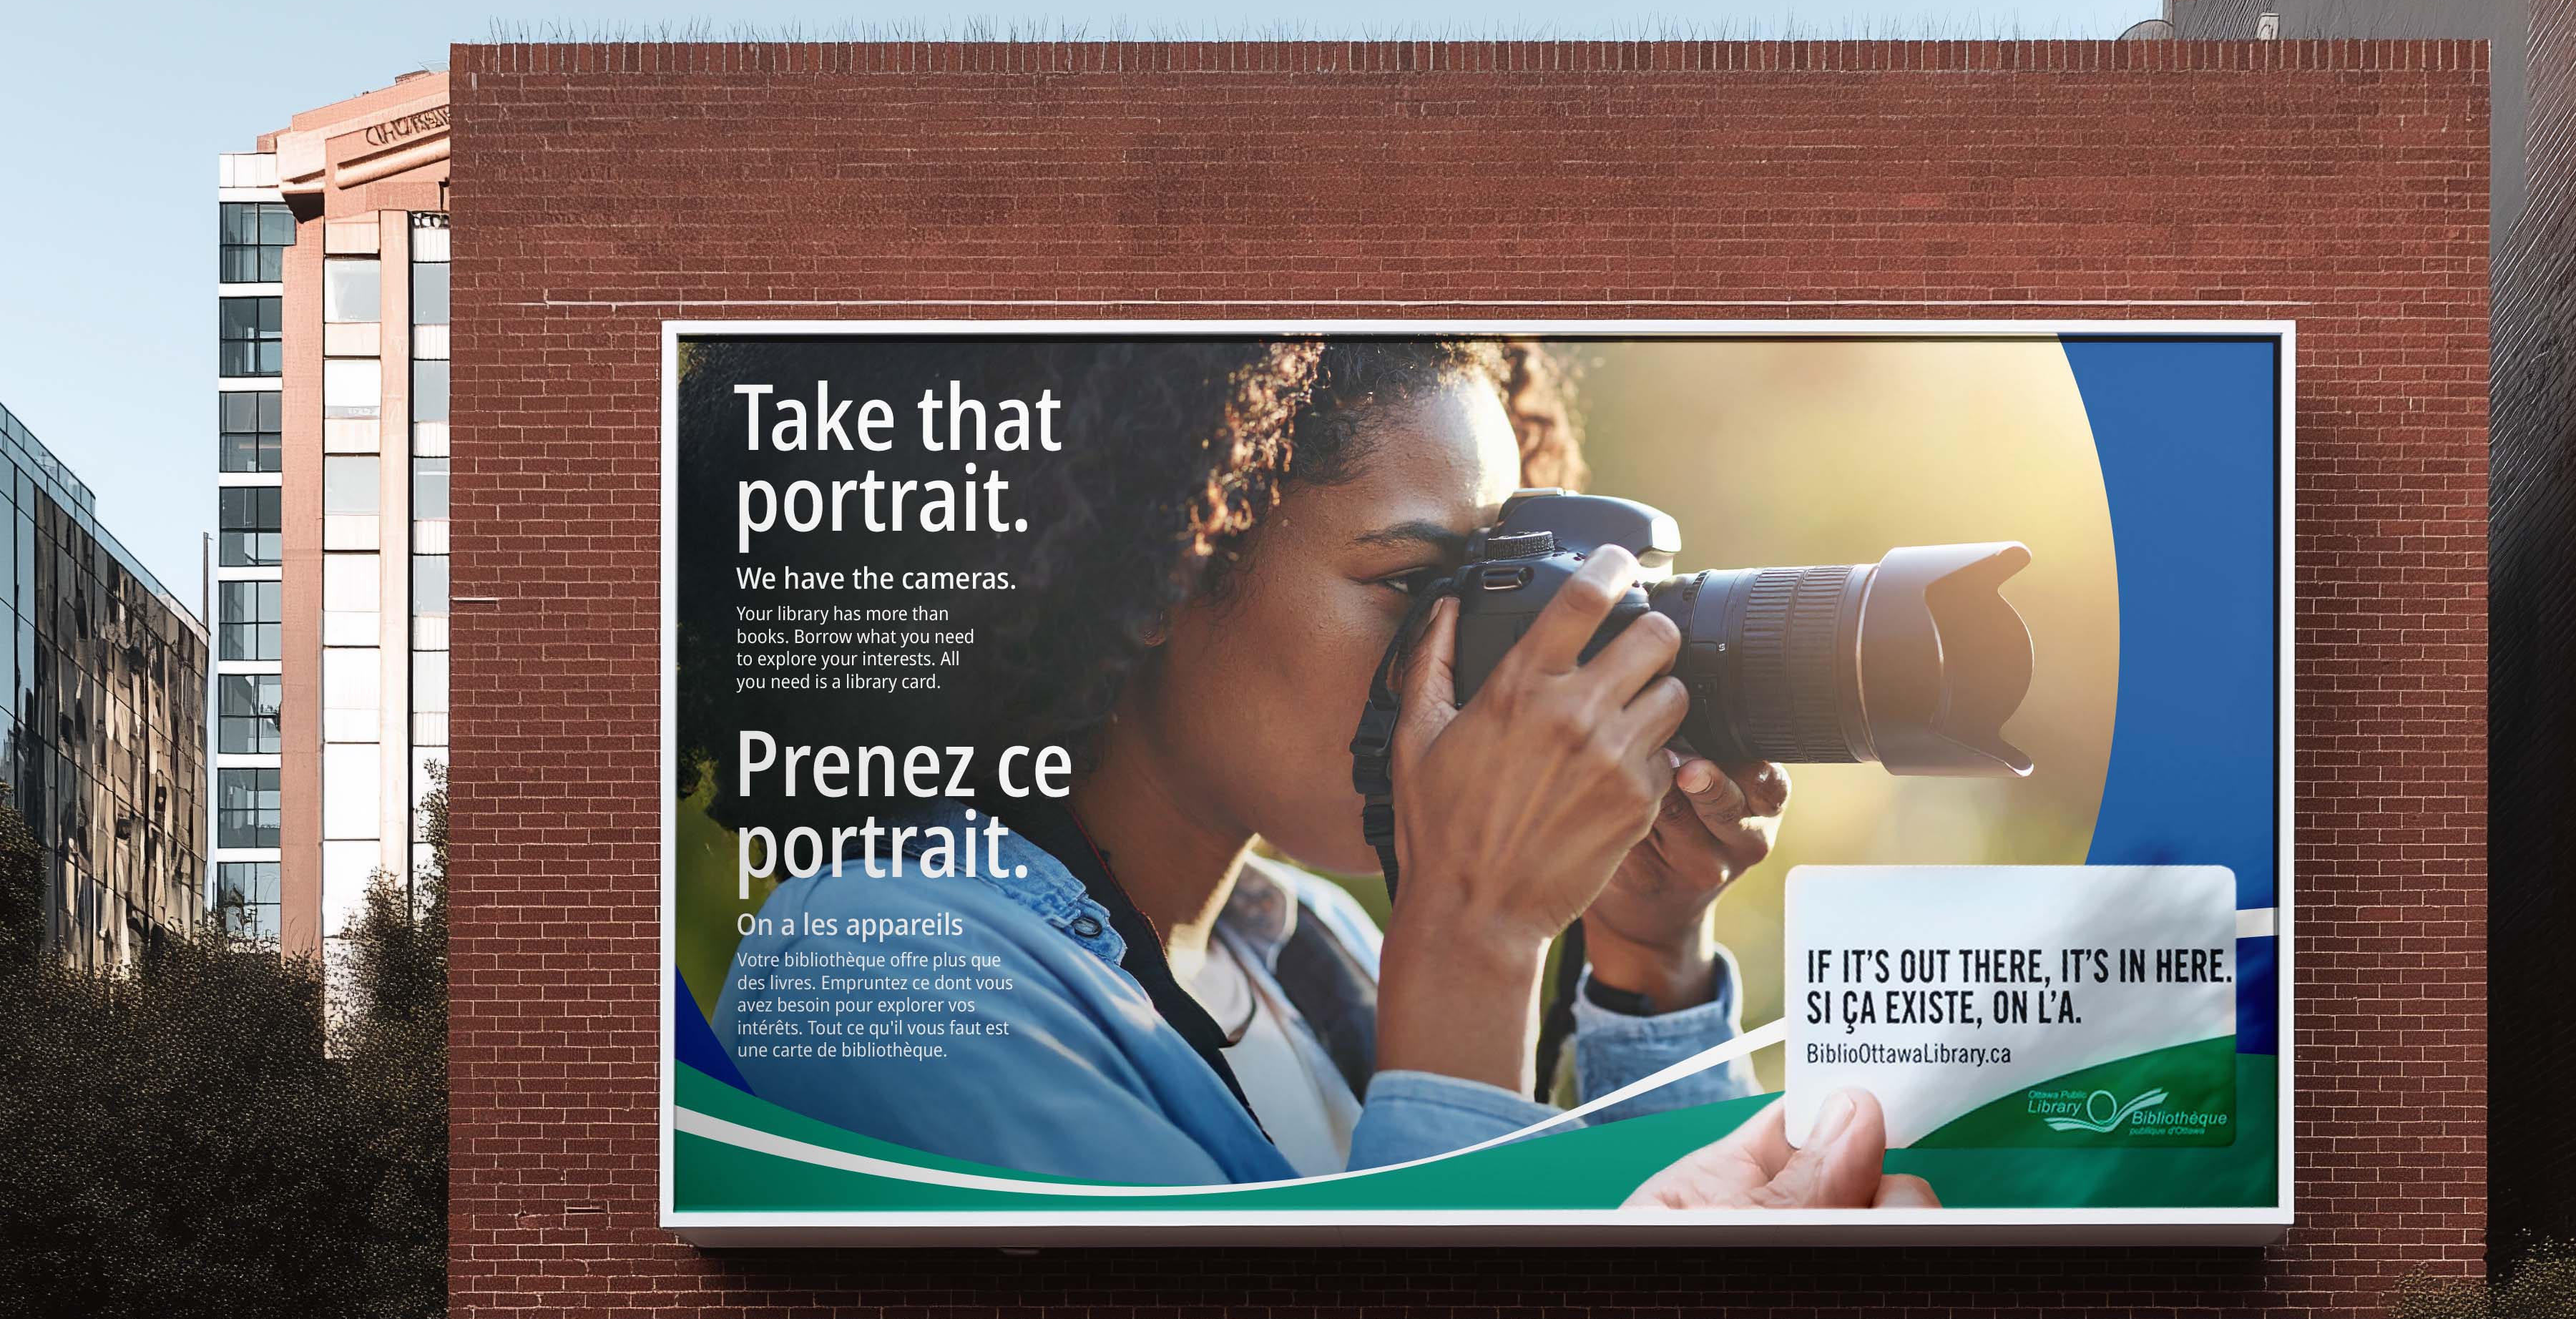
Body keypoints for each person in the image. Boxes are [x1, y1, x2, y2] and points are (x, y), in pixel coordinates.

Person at [697, 339, 1931, 1209]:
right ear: (1158, 576)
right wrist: (1479, 939)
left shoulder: (1308, 953)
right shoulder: (879, 969)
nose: (1487, 662)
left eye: (1498, 581)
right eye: (1411, 583)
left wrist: (1647, 966)